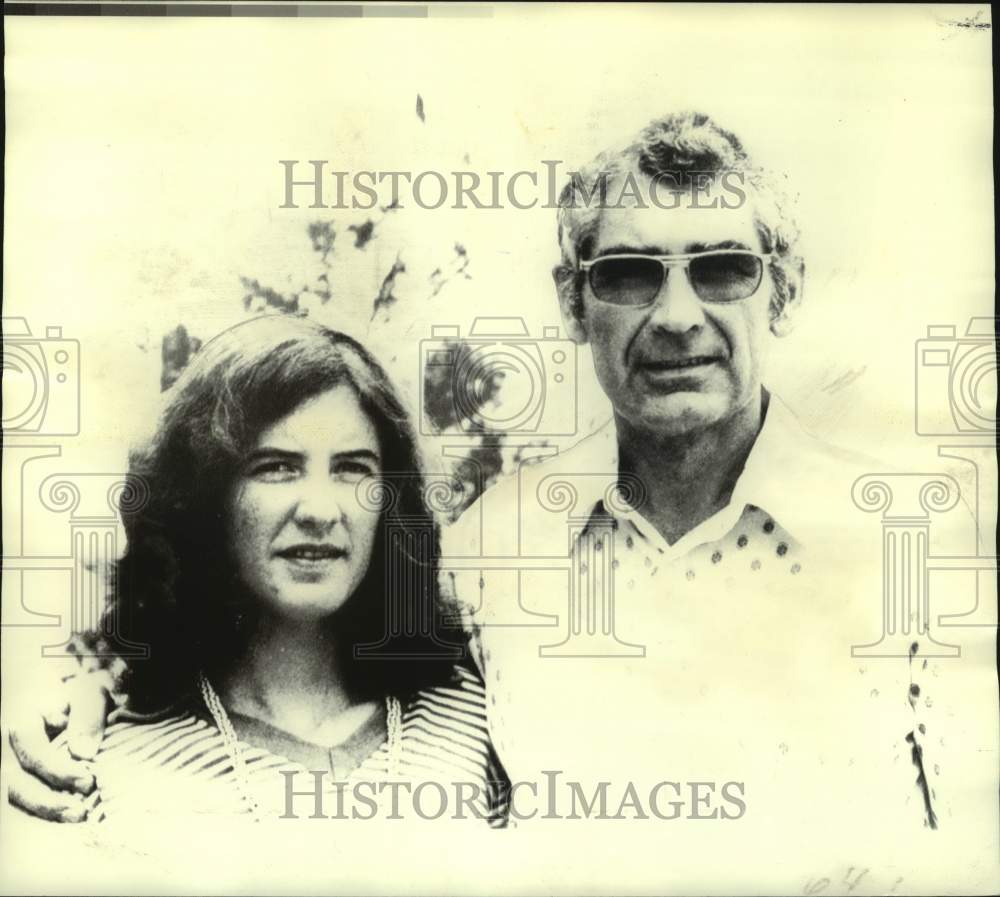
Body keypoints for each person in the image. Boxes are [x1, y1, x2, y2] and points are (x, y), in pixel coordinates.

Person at [8, 113, 995, 863]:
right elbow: (308, 648)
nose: (678, 316)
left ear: (781, 288)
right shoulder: (495, 545)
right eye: (629, 274)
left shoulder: (917, 543)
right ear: (573, 303)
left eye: (723, 269)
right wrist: (79, 694)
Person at [5, 314, 506, 827]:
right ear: (205, 499)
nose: (319, 510)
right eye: (275, 467)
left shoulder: (484, 720)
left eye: (352, 468)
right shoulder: (99, 756)